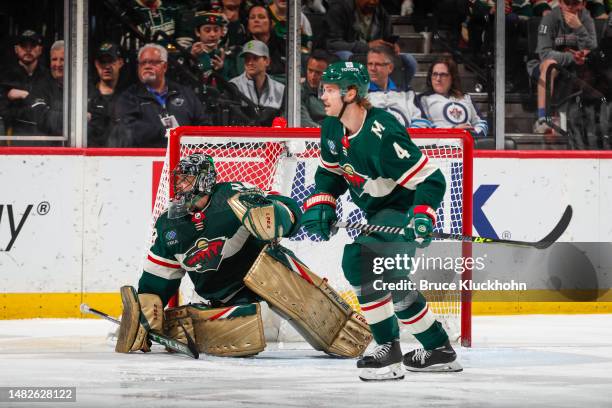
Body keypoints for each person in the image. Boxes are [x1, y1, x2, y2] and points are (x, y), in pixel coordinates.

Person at [115, 153, 371, 358]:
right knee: (241, 336)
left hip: (267, 270)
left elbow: (287, 209)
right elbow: (158, 277)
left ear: (204, 180)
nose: (180, 185)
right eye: (179, 179)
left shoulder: (233, 194)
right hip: (224, 297)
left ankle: (338, 324)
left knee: (286, 281)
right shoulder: (169, 225)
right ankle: (178, 325)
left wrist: (278, 215)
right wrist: (146, 306)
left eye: (187, 179)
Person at [301, 61, 462, 381]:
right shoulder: (331, 127)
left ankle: (387, 350)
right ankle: (439, 349)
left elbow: (431, 181)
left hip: (402, 210)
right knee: (394, 285)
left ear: (350, 93)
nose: (323, 96)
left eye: (330, 90)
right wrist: (324, 200)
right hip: (376, 213)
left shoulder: (383, 133)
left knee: (360, 261)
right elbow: (331, 171)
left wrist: (422, 216)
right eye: (323, 90)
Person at [111, 43, 207, 147]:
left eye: (153, 62)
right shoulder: (128, 97)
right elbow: (128, 129)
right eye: (143, 63)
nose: (147, 66)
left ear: (165, 66)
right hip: (145, 158)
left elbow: (204, 124)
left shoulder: (185, 93)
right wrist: (166, 133)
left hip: (184, 155)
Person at [527, 0, 597, 133]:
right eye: (567, 3)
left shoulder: (586, 19)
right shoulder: (549, 18)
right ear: (560, 3)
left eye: (575, 3)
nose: (570, 7)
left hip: (575, 66)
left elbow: (593, 50)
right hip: (543, 65)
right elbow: (545, 54)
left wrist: (579, 28)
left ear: (583, 4)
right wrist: (573, 57)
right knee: (550, 64)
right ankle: (543, 118)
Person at [325, 0, 418, 89]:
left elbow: (387, 36)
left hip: (374, 55)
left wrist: (393, 45)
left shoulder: (381, 13)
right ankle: (353, 93)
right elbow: (332, 44)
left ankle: (399, 93)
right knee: (347, 56)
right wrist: (367, 47)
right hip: (350, 53)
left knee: (409, 60)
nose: (372, 2)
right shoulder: (339, 10)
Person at [418, 57, 488, 138]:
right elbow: (422, 129)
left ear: (452, 77)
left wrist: (472, 132)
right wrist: (453, 131)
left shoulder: (465, 98)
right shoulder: (422, 99)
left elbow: (482, 124)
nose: (438, 79)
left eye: (443, 75)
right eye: (435, 74)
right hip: (440, 148)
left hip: (467, 146)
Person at [0, 30, 50, 137]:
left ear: (40, 50)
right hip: (14, 137)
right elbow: (3, 112)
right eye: (23, 45)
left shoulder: (48, 76)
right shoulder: (4, 77)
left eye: (32, 45)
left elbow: (51, 109)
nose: (28, 49)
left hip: (45, 137)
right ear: (16, 49)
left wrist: (24, 96)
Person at [366, 46, 431, 128]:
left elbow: (422, 123)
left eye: (378, 64)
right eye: (370, 64)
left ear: (390, 68)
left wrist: (404, 137)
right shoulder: (360, 94)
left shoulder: (407, 93)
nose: (372, 68)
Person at [229, 40, 285, 125]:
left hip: (272, 137)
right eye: (247, 58)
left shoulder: (280, 89)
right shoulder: (233, 86)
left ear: (267, 61)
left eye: (255, 58)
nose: (250, 62)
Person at [88, 43, 125, 147]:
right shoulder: (84, 96)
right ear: (96, 64)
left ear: (120, 63)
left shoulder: (128, 97)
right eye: (102, 62)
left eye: (111, 61)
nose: (107, 66)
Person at [27, 40, 65, 136]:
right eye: (54, 59)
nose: (58, 64)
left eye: (63, 59)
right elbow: (42, 119)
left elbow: (95, 122)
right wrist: (78, 118)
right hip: (46, 146)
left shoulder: (82, 86)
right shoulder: (39, 85)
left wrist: (53, 114)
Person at [245, 5, 286, 77]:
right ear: (248, 25)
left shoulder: (285, 47)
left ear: (271, 23)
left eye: (261, 17)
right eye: (252, 18)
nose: (256, 20)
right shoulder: (242, 49)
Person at [300, 50, 329, 127]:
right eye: (310, 70)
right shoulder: (298, 92)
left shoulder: (335, 92)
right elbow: (303, 120)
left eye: (318, 73)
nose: (313, 76)